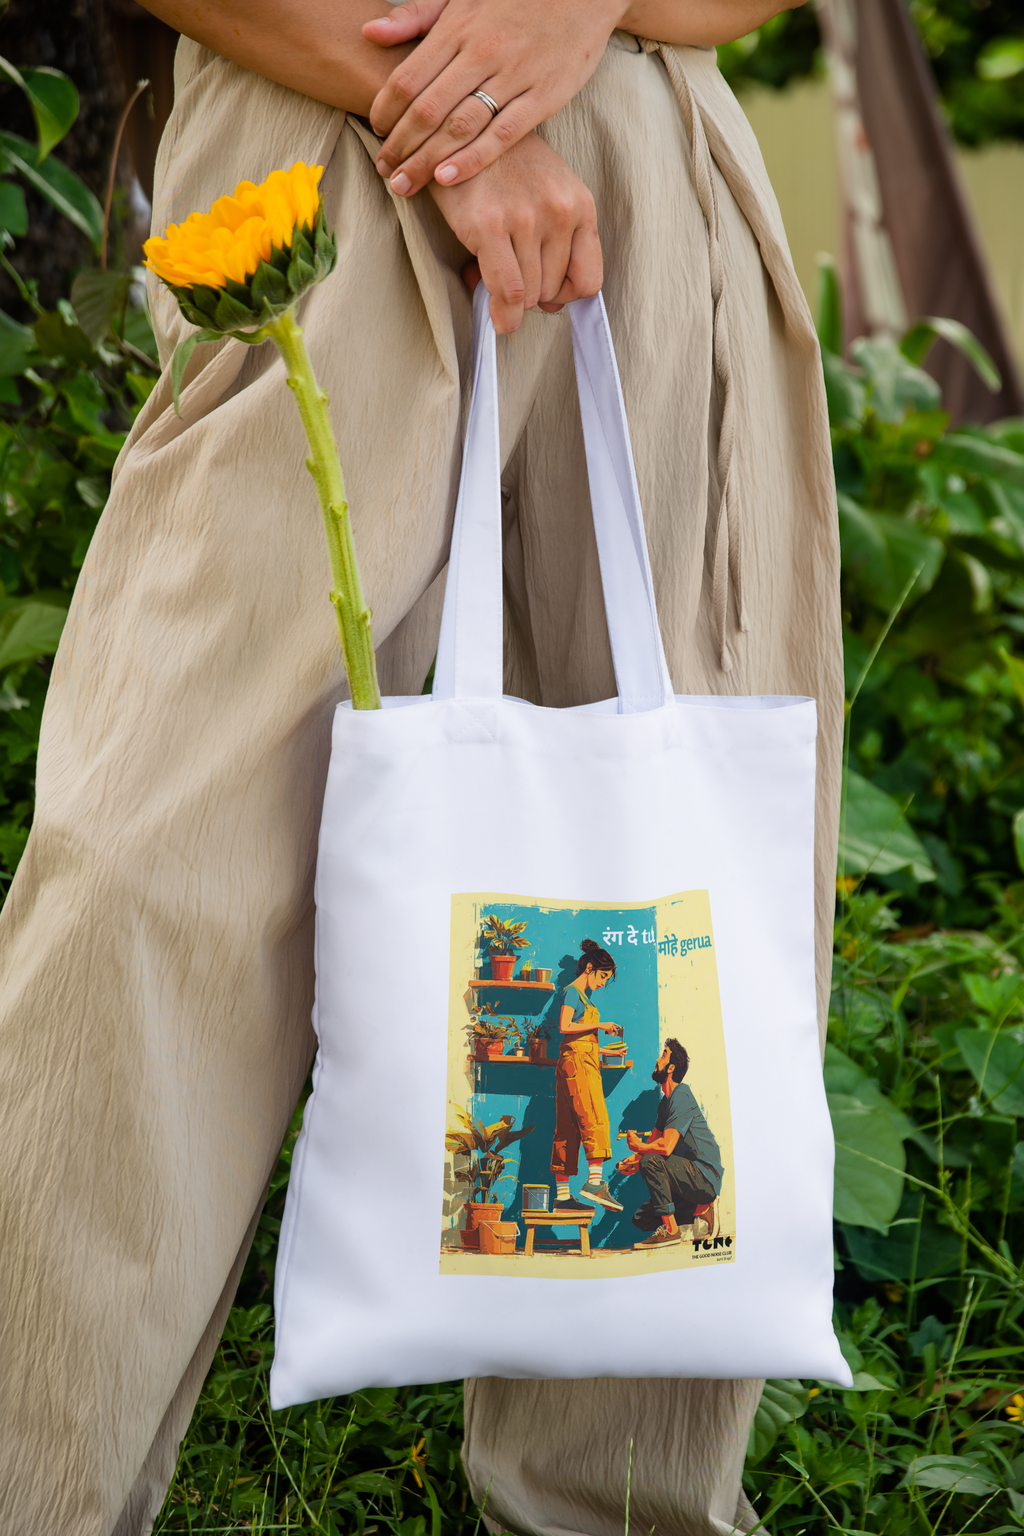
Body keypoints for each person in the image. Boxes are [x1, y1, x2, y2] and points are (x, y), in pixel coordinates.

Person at [0, 0, 844, 1528]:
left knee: (652, 916)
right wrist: (466, 122)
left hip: (657, 192)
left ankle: (616, 1506)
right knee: (140, 877)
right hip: (312, 165)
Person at [618, 1038, 723, 1250]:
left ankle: (671, 1231)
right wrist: (632, 1161)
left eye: (663, 1055)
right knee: (642, 1218)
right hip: (686, 1177)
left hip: (703, 1174)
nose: (657, 1060)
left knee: (650, 1161)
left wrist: (640, 1150)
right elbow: (653, 1142)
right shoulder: (664, 1104)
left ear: (671, 1067)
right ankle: (700, 1208)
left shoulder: (681, 1094)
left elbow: (665, 1147)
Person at [551, 938, 625, 1213]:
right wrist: (601, 1024)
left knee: (567, 1128)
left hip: (572, 1062)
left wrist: (605, 1049)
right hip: (579, 1064)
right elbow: (565, 1026)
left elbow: (577, 1037)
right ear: (590, 968)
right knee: (595, 1117)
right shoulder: (573, 993)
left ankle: (562, 1197)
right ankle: (594, 1183)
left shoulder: (581, 997)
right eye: (603, 976)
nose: (604, 983)